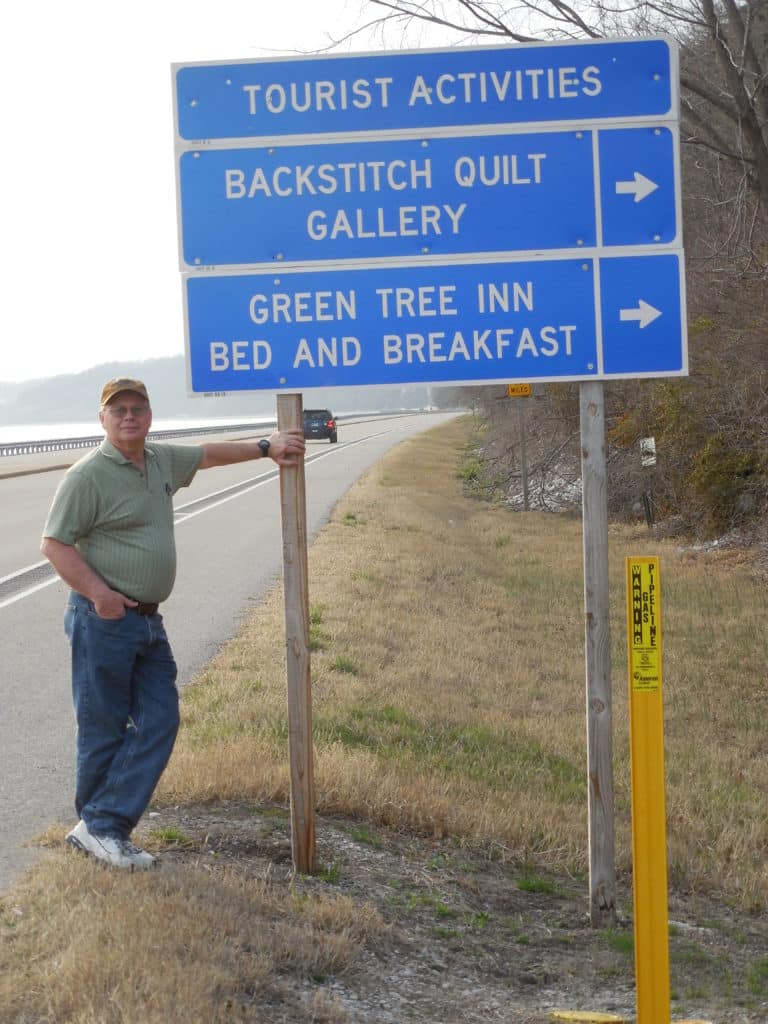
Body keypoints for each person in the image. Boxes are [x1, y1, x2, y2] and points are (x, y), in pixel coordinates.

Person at [41, 377, 305, 870]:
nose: (128, 416)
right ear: (102, 419)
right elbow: (54, 545)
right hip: (103, 620)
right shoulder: (87, 476)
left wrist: (267, 446)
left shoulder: (160, 459)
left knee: (160, 718)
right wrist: (100, 596)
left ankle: (100, 825)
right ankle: (103, 829)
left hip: (147, 622)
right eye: (117, 409)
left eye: (137, 408)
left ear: (149, 415)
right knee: (103, 728)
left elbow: (207, 454)